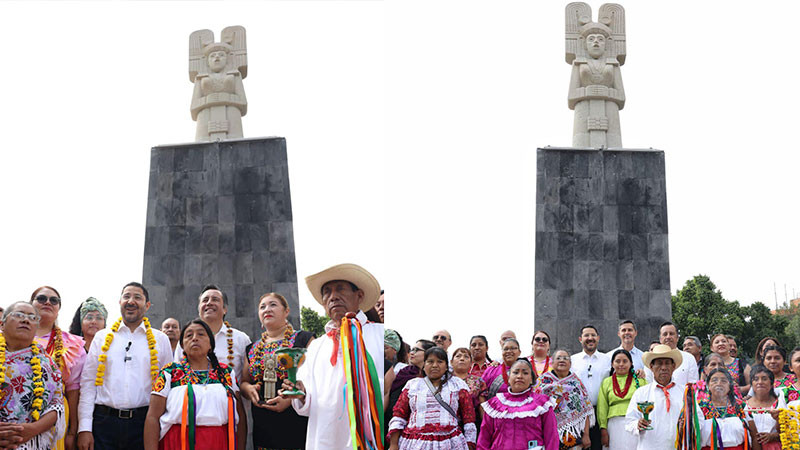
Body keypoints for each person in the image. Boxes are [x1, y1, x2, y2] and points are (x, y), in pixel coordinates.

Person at [282, 263, 384, 449]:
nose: (333, 296)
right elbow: (305, 403)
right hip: (325, 438)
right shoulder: (316, 347)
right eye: (327, 292)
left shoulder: (380, 335)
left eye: (340, 289)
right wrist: (300, 392)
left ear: (359, 295)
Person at [77, 282, 174, 450]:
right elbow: (88, 384)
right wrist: (84, 428)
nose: (131, 301)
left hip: (144, 424)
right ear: (120, 302)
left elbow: (167, 387)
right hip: (103, 423)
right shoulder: (102, 337)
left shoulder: (161, 339)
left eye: (137, 297)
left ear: (147, 305)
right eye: (126, 296)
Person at [143, 319, 246, 450]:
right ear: (182, 346)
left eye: (201, 334)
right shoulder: (170, 372)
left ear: (210, 344)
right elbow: (153, 417)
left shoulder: (226, 373)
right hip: (178, 443)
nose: (195, 338)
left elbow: (240, 416)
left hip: (219, 442)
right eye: (189, 335)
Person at [239, 292, 313, 450]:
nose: (267, 309)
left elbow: (316, 379)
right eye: (262, 307)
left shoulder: (304, 340)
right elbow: (244, 381)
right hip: (263, 423)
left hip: (296, 419)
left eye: (273, 304)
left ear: (286, 311)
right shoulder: (252, 348)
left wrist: (291, 399)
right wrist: (248, 389)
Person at [0, 302, 65, 449]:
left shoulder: (47, 363)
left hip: (31, 442)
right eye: (19, 315)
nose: (25, 320)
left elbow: (56, 405)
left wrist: (33, 429)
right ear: (2, 324)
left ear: (36, 328)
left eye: (32, 317)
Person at [30, 286, 87, 450]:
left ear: (58, 309)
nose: (48, 302)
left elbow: (73, 390)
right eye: (41, 298)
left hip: (55, 414)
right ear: (31, 304)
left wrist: (72, 431)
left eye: (54, 300)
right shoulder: (12, 336)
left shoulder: (73, 344)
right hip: (16, 411)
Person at [388, 347, 476, 449]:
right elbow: (399, 415)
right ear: (424, 365)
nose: (435, 365)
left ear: (446, 366)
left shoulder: (458, 385)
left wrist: (470, 444)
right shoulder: (413, 385)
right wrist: (393, 444)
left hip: (450, 444)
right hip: (415, 444)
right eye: (430, 361)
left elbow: (468, 418)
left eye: (440, 362)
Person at [174, 285, 252, 383]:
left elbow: (248, 379)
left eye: (215, 299)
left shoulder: (241, 339)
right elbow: (177, 373)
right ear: (199, 310)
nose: (209, 303)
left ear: (225, 309)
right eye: (205, 300)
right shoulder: (187, 339)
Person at [478, 358, 559, 450]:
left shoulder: (542, 404)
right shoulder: (494, 404)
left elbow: (551, 437)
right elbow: (484, 439)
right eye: (515, 372)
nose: (520, 376)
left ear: (532, 380)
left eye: (525, 373)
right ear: (508, 378)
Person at [678, 368, 759, 450]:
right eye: (714, 380)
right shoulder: (699, 407)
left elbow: (754, 436)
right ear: (708, 386)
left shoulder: (741, 406)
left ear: (729, 386)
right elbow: (688, 436)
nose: (719, 383)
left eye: (724, 381)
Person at [624, 344, 685, 450]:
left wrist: (688, 424)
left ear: (673, 366)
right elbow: (629, 422)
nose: (664, 368)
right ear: (651, 367)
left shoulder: (685, 392)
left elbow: (698, 419)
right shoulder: (641, 393)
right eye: (659, 364)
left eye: (667, 363)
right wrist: (638, 424)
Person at [533, 349, 594, 449]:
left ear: (570, 364)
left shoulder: (576, 383)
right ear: (552, 363)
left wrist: (586, 435)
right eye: (558, 358)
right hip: (546, 432)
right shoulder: (542, 381)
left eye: (565, 358)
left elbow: (585, 411)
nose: (562, 360)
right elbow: (533, 406)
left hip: (572, 434)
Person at [191, 36, 247, 140]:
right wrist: (209, 99)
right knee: (203, 144)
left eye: (221, 55)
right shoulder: (200, 77)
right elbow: (193, 105)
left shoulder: (234, 75)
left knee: (234, 142)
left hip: (231, 113)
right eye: (212, 56)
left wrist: (224, 97)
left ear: (227, 59)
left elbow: (243, 102)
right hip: (205, 115)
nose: (217, 57)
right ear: (207, 61)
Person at [571, 324, 611, 450]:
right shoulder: (572, 360)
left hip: (602, 411)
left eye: (593, 335)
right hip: (579, 413)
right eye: (586, 335)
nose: (590, 338)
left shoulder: (607, 360)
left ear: (598, 338)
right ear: (580, 339)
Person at [386, 339, 436, 436]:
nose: (412, 353)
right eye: (412, 350)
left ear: (428, 353)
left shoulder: (435, 378)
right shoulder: (405, 372)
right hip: (395, 422)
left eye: (417, 350)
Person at [598, 349, 646, 450]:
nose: (621, 364)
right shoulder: (606, 382)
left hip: (636, 422)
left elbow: (648, 403)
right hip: (614, 424)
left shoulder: (640, 381)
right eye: (617, 361)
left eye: (625, 361)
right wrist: (603, 429)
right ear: (612, 364)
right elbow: (602, 407)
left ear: (631, 363)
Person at [746, 365, 784, 450]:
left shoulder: (780, 403)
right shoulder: (744, 406)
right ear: (751, 384)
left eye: (764, 379)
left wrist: (774, 436)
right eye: (756, 379)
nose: (760, 382)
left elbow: (788, 429)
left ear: (771, 383)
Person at [451, 347, 487, 428]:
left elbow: (482, 406)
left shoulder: (478, 381)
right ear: (451, 362)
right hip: (448, 425)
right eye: (458, 356)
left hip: (473, 425)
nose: (462, 359)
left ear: (471, 363)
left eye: (466, 357)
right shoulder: (444, 381)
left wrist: (485, 426)